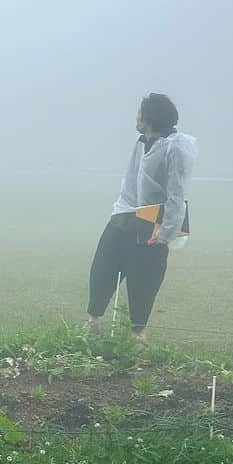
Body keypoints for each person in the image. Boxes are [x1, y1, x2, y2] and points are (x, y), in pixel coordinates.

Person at [86, 93, 198, 341]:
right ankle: (92, 325)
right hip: (124, 216)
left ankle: (137, 339)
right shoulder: (141, 141)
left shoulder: (176, 148)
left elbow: (177, 195)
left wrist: (165, 234)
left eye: (140, 113)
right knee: (102, 268)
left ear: (150, 117)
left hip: (153, 225)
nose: (136, 117)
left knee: (143, 282)